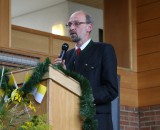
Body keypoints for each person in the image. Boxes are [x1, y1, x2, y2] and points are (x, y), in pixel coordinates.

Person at [54, 10, 118, 130]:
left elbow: (111, 90)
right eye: (69, 24)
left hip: (96, 121)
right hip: (68, 120)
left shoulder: (104, 50)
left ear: (89, 27)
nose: (72, 27)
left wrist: (84, 96)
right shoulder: (66, 56)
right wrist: (61, 74)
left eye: (77, 23)